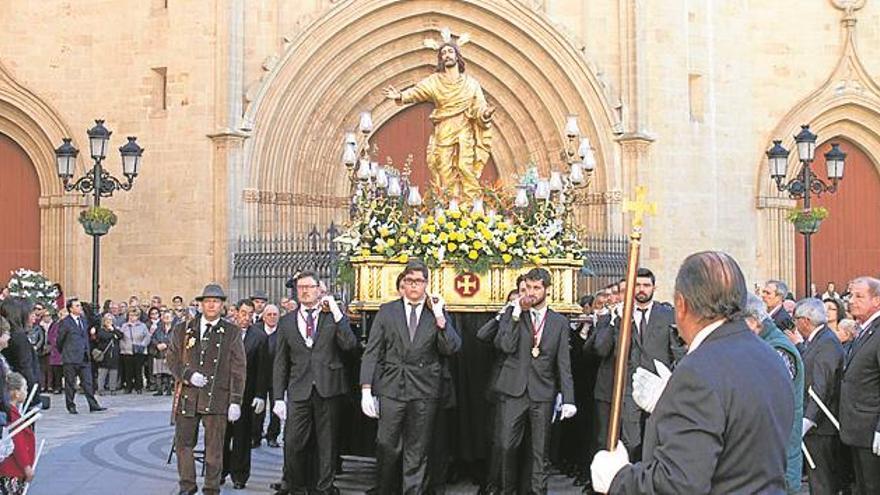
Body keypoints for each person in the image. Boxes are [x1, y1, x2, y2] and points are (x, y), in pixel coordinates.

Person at [591, 251, 795, 494]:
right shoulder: (770, 355)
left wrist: (618, 478)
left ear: (681, 304)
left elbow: (678, 484)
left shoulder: (698, 370)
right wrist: (670, 404)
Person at [359, 260, 461, 493]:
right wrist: (366, 389)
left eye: (419, 281)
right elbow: (372, 351)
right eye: (409, 281)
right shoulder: (387, 311)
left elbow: (452, 348)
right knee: (387, 445)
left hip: (424, 390)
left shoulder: (435, 311)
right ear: (403, 284)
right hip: (392, 388)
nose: (414, 286)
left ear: (426, 284)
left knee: (418, 450)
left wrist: (440, 318)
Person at [494, 267, 576, 494]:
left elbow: (563, 363)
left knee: (540, 452)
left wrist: (569, 398)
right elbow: (505, 346)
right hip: (514, 390)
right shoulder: (515, 314)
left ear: (547, 290)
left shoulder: (559, 322)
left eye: (536, 287)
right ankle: (507, 491)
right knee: (506, 446)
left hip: (543, 392)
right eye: (528, 287)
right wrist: (516, 314)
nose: (531, 292)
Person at [272, 271, 356, 494]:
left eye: (309, 287)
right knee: (292, 443)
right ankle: (296, 486)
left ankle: (324, 487)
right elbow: (280, 362)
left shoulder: (332, 317)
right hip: (299, 390)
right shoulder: (287, 322)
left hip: (328, 388)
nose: (305, 291)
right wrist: (278, 397)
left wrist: (338, 314)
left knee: (327, 444)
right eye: (301, 288)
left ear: (320, 289)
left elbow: (349, 345)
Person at [383, 37, 494, 200]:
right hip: (444, 130)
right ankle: (449, 205)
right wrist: (400, 95)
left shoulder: (471, 84)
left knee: (465, 167)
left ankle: (472, 207)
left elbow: (479, 107)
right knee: (444, 169)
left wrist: (484, 114)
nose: (447, 55)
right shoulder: (435, 82)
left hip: (465, 131)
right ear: (441, 59)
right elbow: (417, 92)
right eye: (443, 53)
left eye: (450, 51)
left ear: (457, 56)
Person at [166, 284, 246, 495]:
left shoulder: (232, 332)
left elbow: (238, 369)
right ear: (200, 305)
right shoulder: (182, 329)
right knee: (184, 444)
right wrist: (188, 375)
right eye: (207, 301)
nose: (211, 305)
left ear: (222, 306)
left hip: (218, 397)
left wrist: (235, 401)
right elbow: (172, 358)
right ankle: (187, 486)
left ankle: (211, 488)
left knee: (214, 449)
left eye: (216, 301)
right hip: (188, 397)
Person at [598, 268, 684, 460]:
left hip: (659, 386)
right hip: (630, 386)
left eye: (646, 285)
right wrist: (617, 320)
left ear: (654, 288)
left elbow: (677, 350)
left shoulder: (667, 314)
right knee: (632, 441)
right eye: (637, 285)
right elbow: (606, 349)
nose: (642, 289)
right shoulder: (623, 315)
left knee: (657, 439)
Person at [742, 293, 804, 494]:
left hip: (778, 459)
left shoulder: (778, 349)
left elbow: (767, 400)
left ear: (753, 321)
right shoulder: (762, 344)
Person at [476, 283, 524, 494]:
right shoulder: (505, 319)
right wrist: (501, 315)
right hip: (501, 387)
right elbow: (482, 335)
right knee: (498, 440)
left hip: (524, 385)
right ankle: (493, 483)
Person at [793, 298, 845, 495]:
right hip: (817, 426)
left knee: (823, 483)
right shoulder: (817, 341)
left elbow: (822, 386)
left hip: (822, 427)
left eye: (796, 319)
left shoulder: (826, 343)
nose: (795, 323)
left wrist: (807, 421)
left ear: (805, 321)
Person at [839, 276, 880, 494]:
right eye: (850, 295)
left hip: (870, 427)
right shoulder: (863, 329)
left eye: (859, 296)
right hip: (856, 427)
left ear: (877, 301)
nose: (851, 301)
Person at [56, 298, 105, 414]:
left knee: (88, 382)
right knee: (70, 384)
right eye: (77, 306)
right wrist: (65, 351)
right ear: (71, 308)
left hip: (84, 356)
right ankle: (71, 405)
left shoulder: (83, 320)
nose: (80, 308)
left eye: (80, 306)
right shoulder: (65, 322)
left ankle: (93, 404)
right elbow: (60, 340)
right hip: (71, 357)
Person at [252, 304, 282, 448]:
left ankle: (273, 436)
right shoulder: (256, 331)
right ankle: (255, 436)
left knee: (276, 407)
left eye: (274, 315)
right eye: (269, 314)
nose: (272, 317)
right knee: (258, 407)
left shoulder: (283, 332)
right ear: (263, 317)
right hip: (259, 376)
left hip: (277, 376)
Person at [0, 372, 35, 495]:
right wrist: (27, 467)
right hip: (11, 470)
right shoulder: (12, 415)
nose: (26, 392)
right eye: (24, 389)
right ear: (16, 393)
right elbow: (18, 444)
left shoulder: (10, 412)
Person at [0, 299, 40, 395]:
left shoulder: (13, 334)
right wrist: (33, 392)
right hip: (21, 392)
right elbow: (25, 367)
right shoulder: (18, 337)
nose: (34, 317)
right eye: (31, 314)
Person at [119, 308, 150, 394]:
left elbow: (147, 337)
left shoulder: (142, 326)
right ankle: (128, 386)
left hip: (139, 350)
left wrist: (143, 345)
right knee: (128, 370)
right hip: (127, 350)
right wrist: (123, 346)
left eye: (135, 315)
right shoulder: (124, 326)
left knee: (138, 370)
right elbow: (120, 336)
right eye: (131, 315)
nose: (132, 317)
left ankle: (138, 387)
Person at [95, 313, 123, 395]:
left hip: (114, 354)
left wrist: (113, 330)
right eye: (107, 320)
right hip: (104, 354)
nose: (109, 321)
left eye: (111, 320)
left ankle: (113, 389)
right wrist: (112, 334)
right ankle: (100, 389)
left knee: (113, 372)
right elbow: (104, 336)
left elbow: (120, 336)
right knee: (102, 373)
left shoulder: (115, 329)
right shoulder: (101, 330)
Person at [150, 310, 175, 396]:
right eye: (165, 317)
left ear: (172, 318)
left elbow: (176, 340)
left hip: (170, 353)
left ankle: (168, 389)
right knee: (158, 373)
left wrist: (166, 344)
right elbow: (153, 338)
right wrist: (157, 345)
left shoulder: (175, 329)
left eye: (168, 317)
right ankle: (159, 390)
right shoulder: (158, 328)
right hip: (159, 353)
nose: (166, 319)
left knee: (168, 373)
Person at [45, 309, 65, 394]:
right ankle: (57, 387)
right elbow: (50, 336)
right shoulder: (55, 325)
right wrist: (55, 342)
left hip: (66, 351)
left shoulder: (69, 325)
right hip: (56, 351)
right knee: (56, 371)